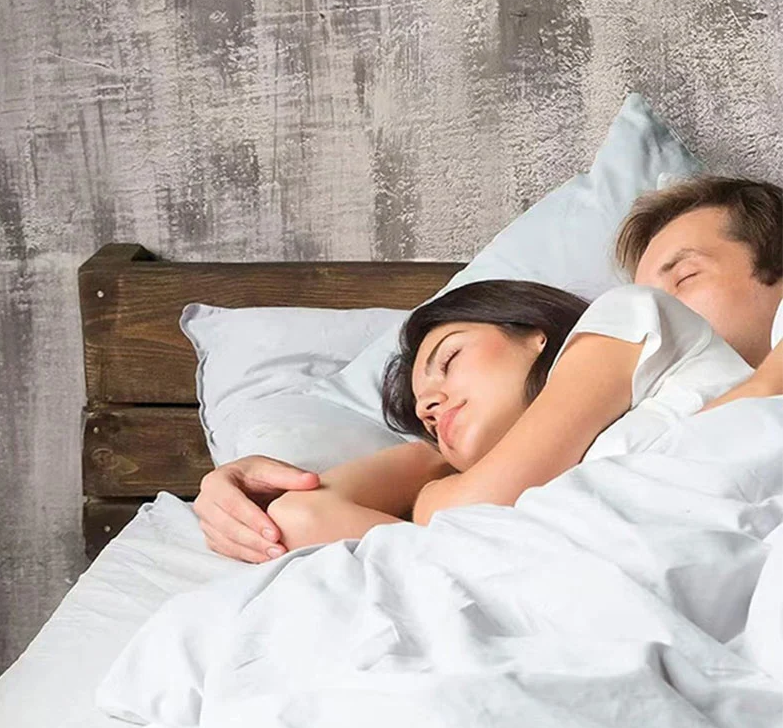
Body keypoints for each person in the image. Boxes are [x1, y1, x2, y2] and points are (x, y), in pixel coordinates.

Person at [194, 174, 782, 563]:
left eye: (684, 276)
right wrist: (430, 459)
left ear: (538, 338)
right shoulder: (593, 455)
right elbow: (301, 516)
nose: (431, 406)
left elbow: (461, 514)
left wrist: (437, 484)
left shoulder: (640, 317)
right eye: (424, 412)